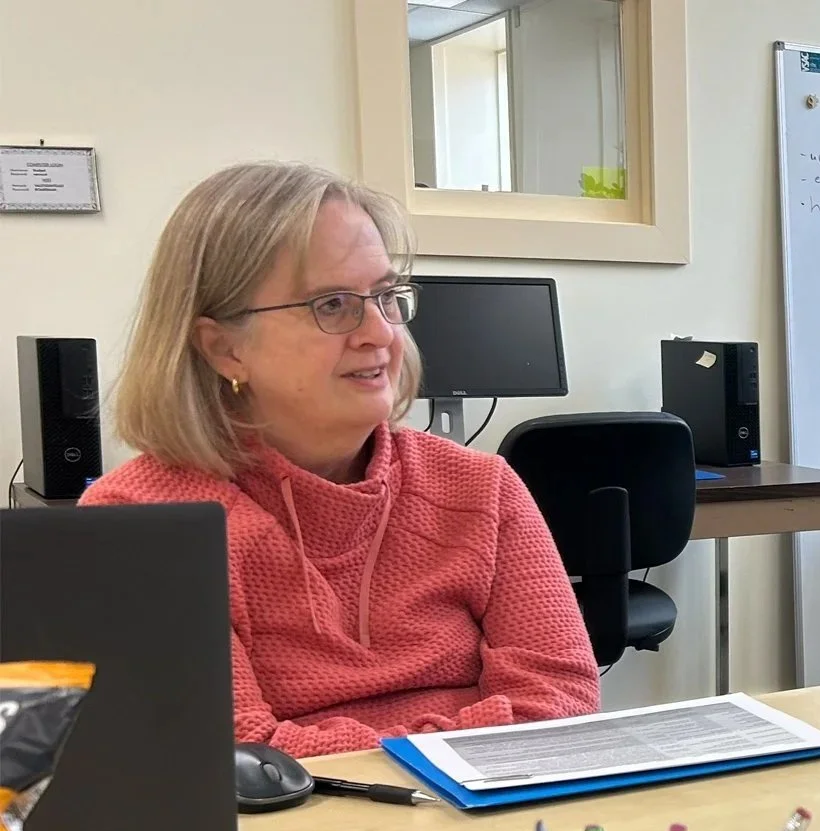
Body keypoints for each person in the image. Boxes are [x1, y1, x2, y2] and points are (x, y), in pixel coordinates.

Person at [81, 161, 600, 757]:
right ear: (224, 348)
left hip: (497, 809)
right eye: (332, 305)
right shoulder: (139, 522)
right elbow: (234, 759)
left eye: (386, 296)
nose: (380, 333)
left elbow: (563, 703)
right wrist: (460, 743)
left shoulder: (481, 487)